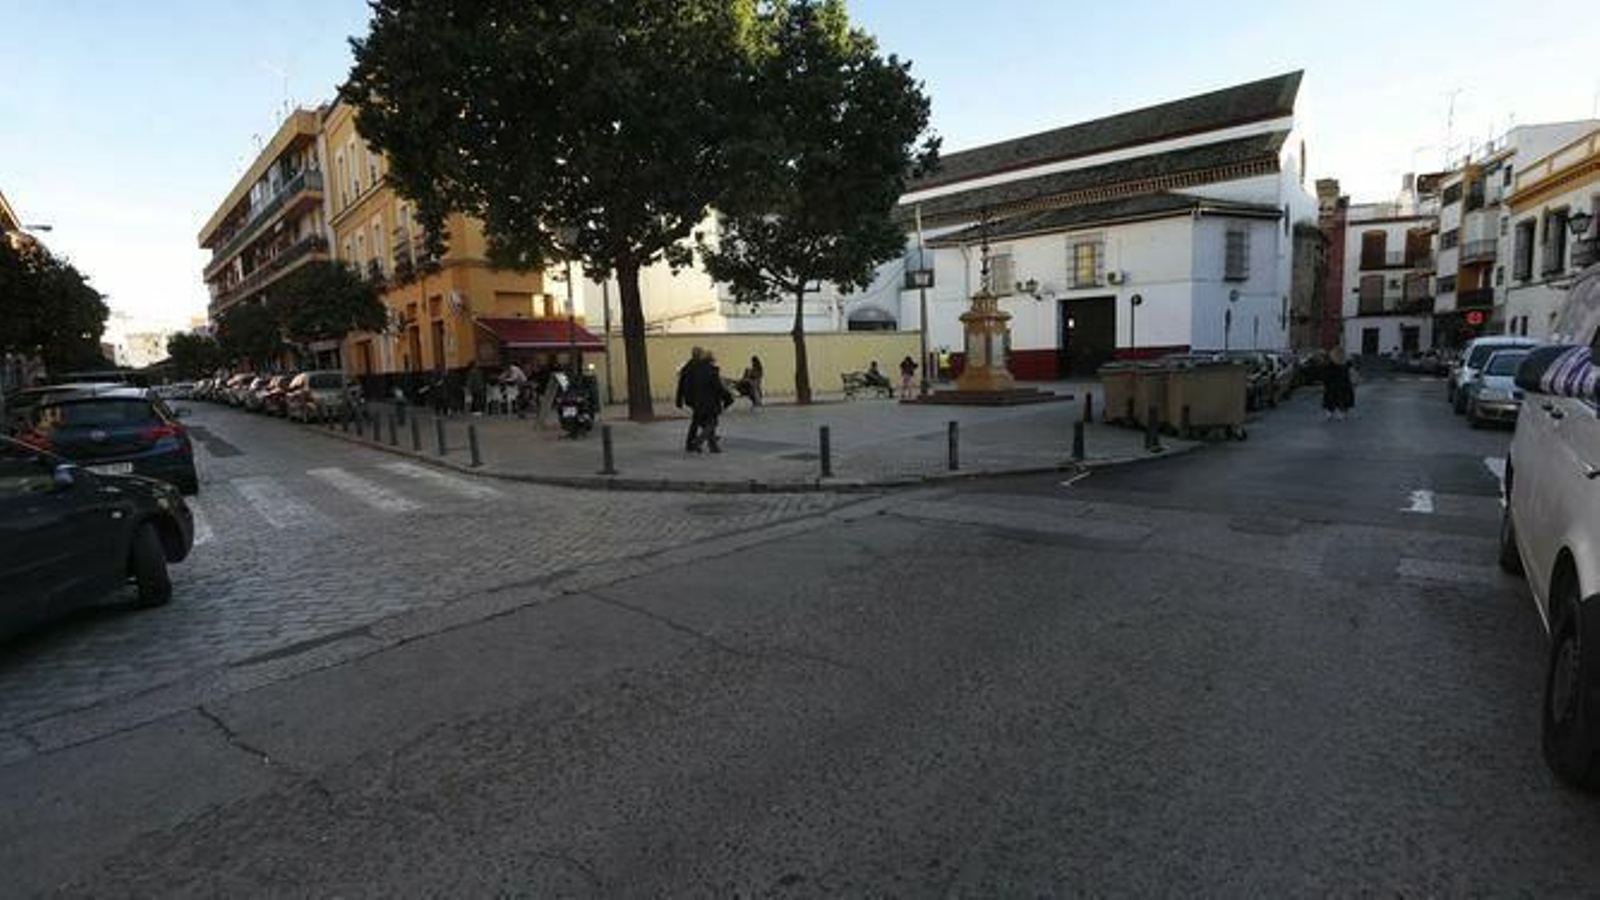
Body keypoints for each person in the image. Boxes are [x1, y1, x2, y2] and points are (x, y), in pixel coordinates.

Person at [676, 347, 733, 453]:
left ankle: (712, 446)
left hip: (696, 399)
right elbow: (718, 388)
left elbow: (682, 384)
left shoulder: (693, 367)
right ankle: (698, 441)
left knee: (699, 421)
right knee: (711, 423)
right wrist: (728, 398)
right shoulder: (709, 370)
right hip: (707, 401)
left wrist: (679, 399)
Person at [1322, 346, 1356, 420]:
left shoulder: (1344, 364)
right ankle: (1339, 412)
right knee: (1339, 399)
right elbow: (1326, 377)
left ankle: (1336, 412)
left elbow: (1325, 377)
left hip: (1338, 387)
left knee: (1336, 399)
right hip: (1339, 387)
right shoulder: (1343, 364)